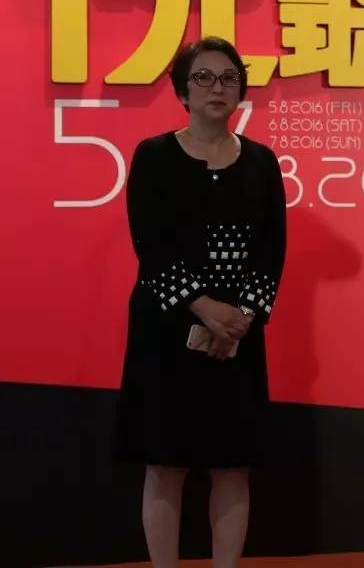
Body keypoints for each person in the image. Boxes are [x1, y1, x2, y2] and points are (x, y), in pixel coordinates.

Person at [115, 36, 287, 568]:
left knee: (233, 466)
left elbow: (271, 250)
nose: (218, 87)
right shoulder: (154, 156)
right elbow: (151, 245)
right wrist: (203, 306)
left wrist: (242, 317)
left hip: (236, 336)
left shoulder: (261, 162)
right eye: (204, 77)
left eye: (230, 77)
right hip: (166, 329)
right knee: (164, 464)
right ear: (183, 92)